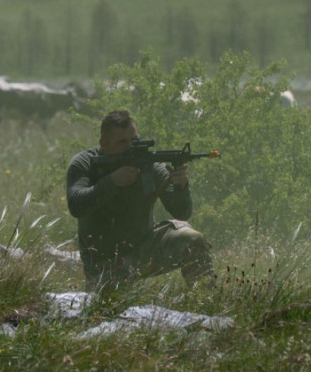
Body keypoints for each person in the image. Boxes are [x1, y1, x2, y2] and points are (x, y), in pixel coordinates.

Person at [66, 109, 215, 292]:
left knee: (192, 240)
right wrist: (112, 181)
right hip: (104, 264)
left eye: (134, 141)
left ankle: (207, 299)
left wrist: (181, 186)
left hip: (143, 250)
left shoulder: (148, 164)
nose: (131, 147)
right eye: (122, 142)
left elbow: (182, 212)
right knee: (111, 306)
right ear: (104, 144)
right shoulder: (85, 163)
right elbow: (76, 205)